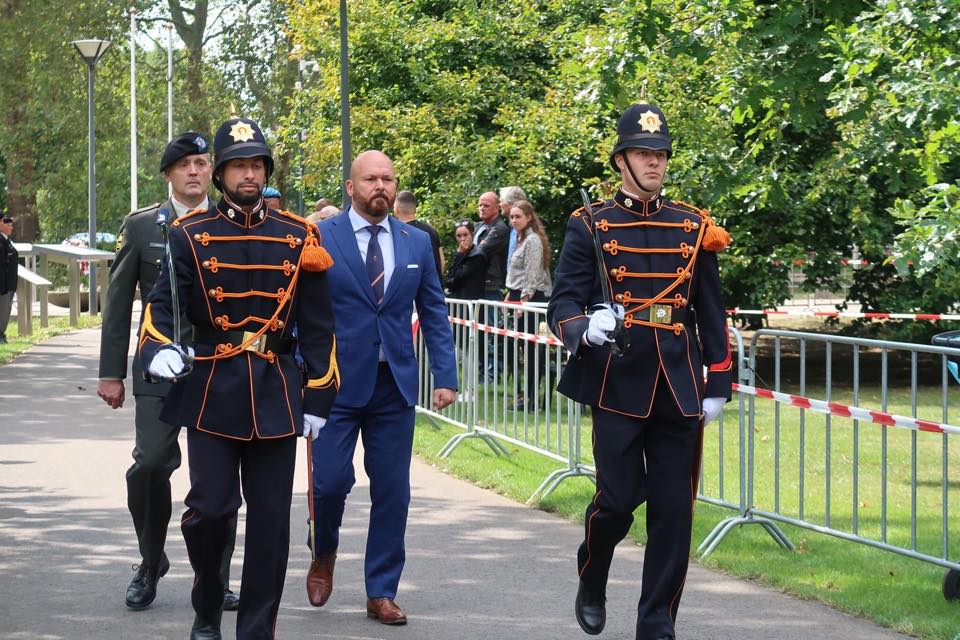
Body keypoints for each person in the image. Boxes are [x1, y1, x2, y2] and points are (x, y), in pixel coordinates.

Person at [139, 117, 338, 640]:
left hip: (277, 395)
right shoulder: (187, 235)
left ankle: (256, 632)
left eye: (257, 165)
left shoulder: (300, 236)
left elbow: (319, 327)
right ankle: (206, 604)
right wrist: (156, 350)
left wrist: (319, 393)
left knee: (271, 527)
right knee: (208, 513)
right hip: (211, 390)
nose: (249, 175)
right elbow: (162, 307)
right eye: (239, 166)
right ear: (221, 175)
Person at [547, 103, 732, 640]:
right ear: (621, 161)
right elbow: (562, 304)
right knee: (617, 502)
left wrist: (717, 382)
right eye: (644, 154)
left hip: (679, 384)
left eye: (661, 154)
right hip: (618, 380)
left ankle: (656, 625)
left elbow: (711, 312)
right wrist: (586, 327)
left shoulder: (695, 226)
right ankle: (593, 569)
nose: (655, 163)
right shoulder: (590, 225)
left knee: (674, 515)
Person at [307, 150, 457, 626]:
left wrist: (446, 377)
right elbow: (302, 311)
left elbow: (434, 310)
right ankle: (324, 551)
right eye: (370, 179)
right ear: (351, 187)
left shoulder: (415, 242)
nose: (381, 187)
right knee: (330, 483)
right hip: (335, 383)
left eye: (388, 179)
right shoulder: (320, 237)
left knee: (393, 490)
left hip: (394, 384)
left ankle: (382, 590)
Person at [96, 132, 241, 612]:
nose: (196, 171)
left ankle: (216, 578)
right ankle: (150, 559)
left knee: (219, 480)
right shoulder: (143, 228)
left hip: (218, 368)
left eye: (203, 163)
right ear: (169, 175)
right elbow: (118, 304)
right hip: (158, 368)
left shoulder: (233, 222)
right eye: (186, 165)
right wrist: (110, 373)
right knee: (152, 464)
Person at [504, 200, 552, 410]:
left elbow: (532, 273)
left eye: (518, 217)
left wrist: (523, 301)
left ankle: (530, 397)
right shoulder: (521, 238)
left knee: (531, 350)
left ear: (528, 217)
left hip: (530, 298)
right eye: (511, 217)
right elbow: (517, 272)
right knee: (519, 348)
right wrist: (509, 295)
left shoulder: (533, 240)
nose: (514, 221)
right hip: (517, 295)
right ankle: (524, 394)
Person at [474, 191, 510, 381]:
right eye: (480, 204)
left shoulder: (500, 228)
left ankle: (492, 373)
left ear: (497, 207)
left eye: (486, 205)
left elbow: (479, 251)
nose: (481, 208)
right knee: (478, 333)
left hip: (491, 285)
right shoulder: (478, 226)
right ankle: (481, 371)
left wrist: (467, 252)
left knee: (492, 332)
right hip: (476, 285)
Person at [393, 190, 443, 277]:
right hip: (435, 286)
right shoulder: (431, 231)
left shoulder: (398, 233)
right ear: (415, 209)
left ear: (397, 210)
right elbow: (441, 261)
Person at [443, 220, 486, 300]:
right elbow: (450, 275)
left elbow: (456, 280)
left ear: (472, 235)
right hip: (460, 301)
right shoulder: (460, 253)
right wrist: (459, 255)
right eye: (459, 236)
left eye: (465, 235)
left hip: (471, 302)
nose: (462, 239)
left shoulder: (476, 255)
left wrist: (459, 255)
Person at [499, 185, 527, 263]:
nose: (500, 204)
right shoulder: (513, 228)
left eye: (502, 201)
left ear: (511, 203)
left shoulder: (528, 229)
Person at [0, 214, 17, 344]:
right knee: (3, 311)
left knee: (6, 310)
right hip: (3, 285)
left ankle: (2, 334)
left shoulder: (6, 241)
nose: (11, 227)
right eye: (7, 224)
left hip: (9, 284)